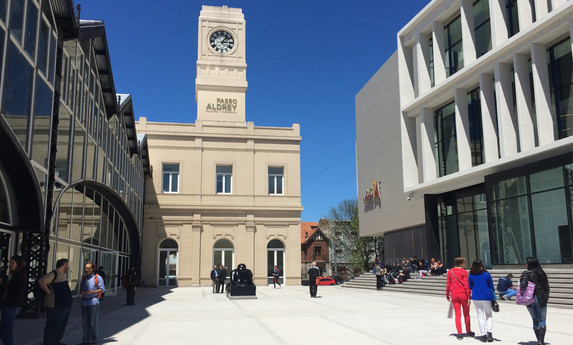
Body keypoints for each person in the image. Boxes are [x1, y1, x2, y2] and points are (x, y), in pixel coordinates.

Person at [39, 258, 73, 345]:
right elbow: (42, 281)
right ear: (64, 265)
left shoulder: (62, 274)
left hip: (64, 305)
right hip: (56, 305)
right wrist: (48, 291)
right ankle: (49, 342)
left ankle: (56, 341)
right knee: (53, 325)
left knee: (61, 325)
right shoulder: (54, 274)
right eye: (67, 265)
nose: (68, 267)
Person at [520, 257, 550, 345]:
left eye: (526, 263)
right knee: (542, 319)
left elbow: (523, 285)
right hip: (541, 297)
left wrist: (522, 278)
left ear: (530, 264)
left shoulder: (526, 274)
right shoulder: (542, 273)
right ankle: (541, 340)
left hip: (530, 298)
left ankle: (538, 339)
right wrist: (546, 298)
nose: (525, 265)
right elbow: (547, 287)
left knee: (535, 319)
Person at [0, 255, 27, 345]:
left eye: (12, 263)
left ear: (18, 264)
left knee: (7, 330)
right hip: (8, 305)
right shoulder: (12, 275)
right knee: (4, 329)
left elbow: (14, 292)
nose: (10, 265)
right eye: (10, 262)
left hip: (10, 305)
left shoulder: (19, 277)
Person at [446, 257, 473, 340]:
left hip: (454, 294)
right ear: (461, 263)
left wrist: (447, 295)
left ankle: (459, 333)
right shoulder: (464, 272)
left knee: (458, 314)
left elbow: (448, 285)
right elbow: (466, 285)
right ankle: (468, 331)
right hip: (463, 294)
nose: (465, 264)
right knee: (466, 314)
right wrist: (469, 297)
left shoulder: (450, 272)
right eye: (464, 263)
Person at [468, 259, 495, 343]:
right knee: (489, 314)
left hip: (476, 297)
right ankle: (489, 333)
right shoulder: (486, 274)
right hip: (486, 296)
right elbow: (491, 286)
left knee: (480, 315)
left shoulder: (471, 275)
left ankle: (483, 335)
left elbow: (470, 286)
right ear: (481, 265)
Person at [80, 261, 105, 345]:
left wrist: (90, 292)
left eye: (88, 268)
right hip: (84, 302)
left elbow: (102, 289)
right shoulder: (84, 278)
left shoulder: (97, 278)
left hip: (93, 302)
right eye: (85, 268)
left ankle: (94, 340)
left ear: (93, 269)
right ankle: (86, 340)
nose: (86, 270)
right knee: (85, 322)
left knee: (92, 322)